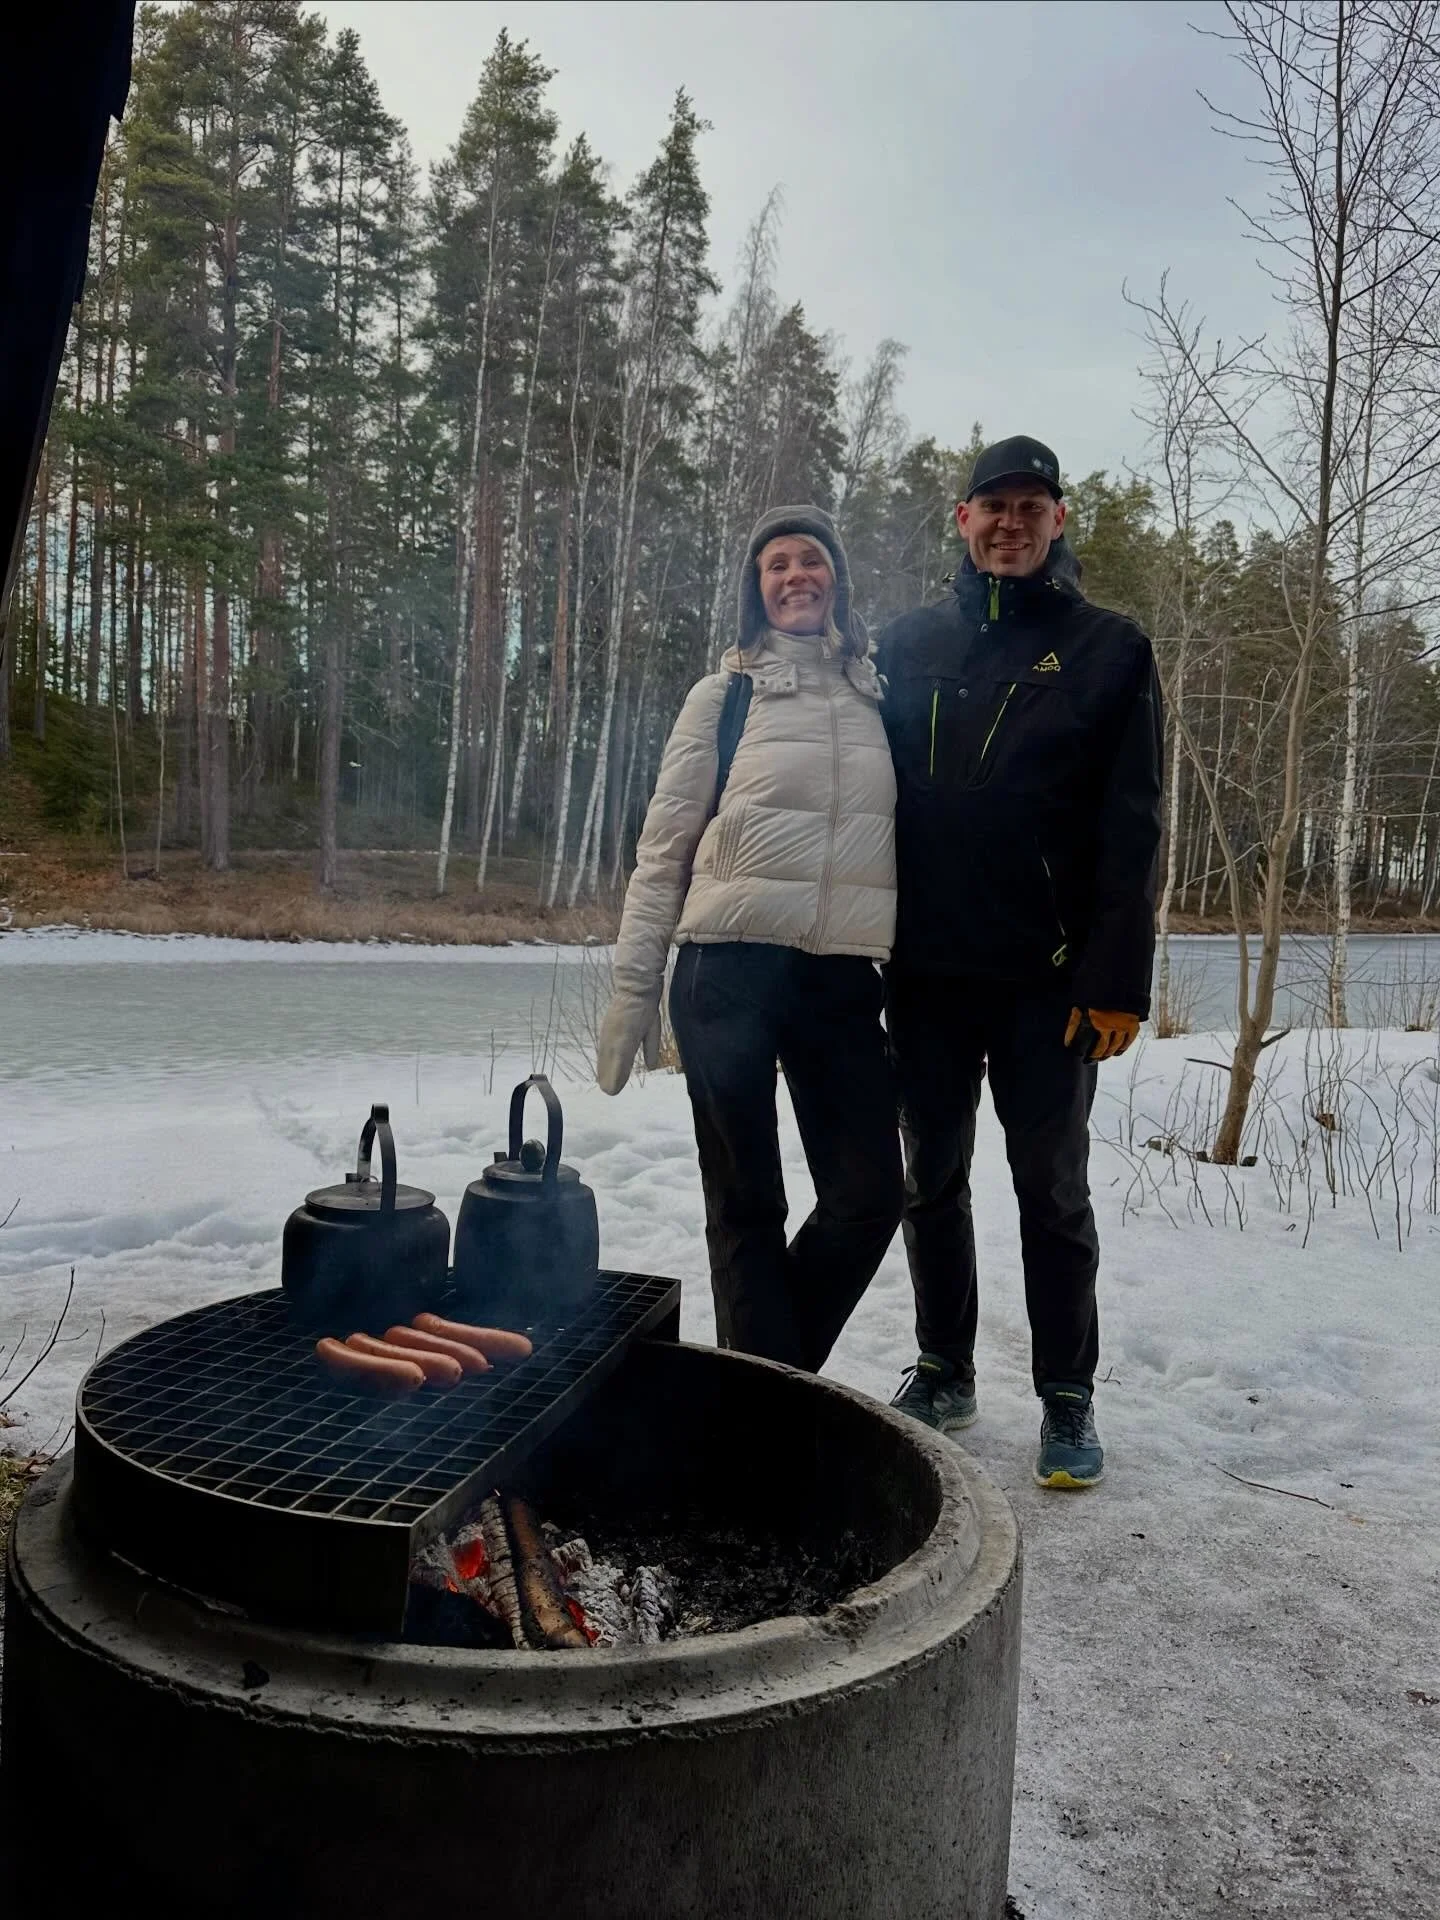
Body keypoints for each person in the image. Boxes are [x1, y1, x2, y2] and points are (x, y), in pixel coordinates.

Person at [876, 436, 1163, 1488]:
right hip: (925, 974)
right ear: (961, 520)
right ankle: (945, 1366)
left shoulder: (1109, 649)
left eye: (1030, 506)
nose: (1010, 521)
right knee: (930, 1177)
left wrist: (1117, 979)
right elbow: (865, 799)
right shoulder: (905, 643)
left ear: (1059, 520)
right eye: (991, 504)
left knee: (1052, 1188)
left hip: (1047, 978)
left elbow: (1133, 827)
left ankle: (1068, 1396)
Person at [595, 505, 902, 1373]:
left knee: (869, 1196)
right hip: (726, 970)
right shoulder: (724, 696)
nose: (795, 575)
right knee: (746, 1206)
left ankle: (761, 1386)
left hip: (841, 980)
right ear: (755, 589)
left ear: (838, 577)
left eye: (811, 559)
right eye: (776, 565)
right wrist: (632, 989)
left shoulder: (879, 697)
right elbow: (664, 849)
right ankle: (765, 1413)